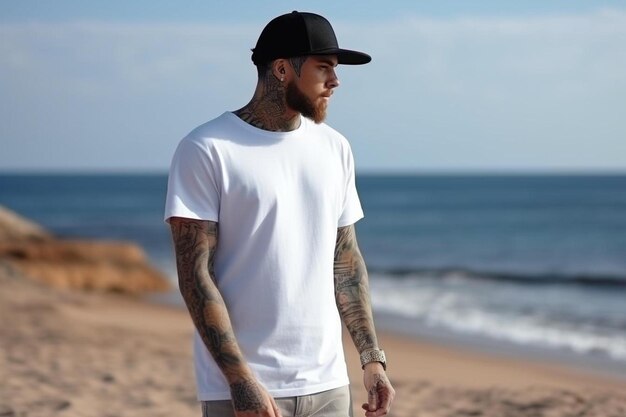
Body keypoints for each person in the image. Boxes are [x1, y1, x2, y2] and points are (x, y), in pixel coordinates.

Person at [164, 10, 395, 417]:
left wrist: (371, 359)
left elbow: (345, 262)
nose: (336, 81)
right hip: (243, 390)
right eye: (324, 68)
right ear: (283, 69)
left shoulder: (335, 148)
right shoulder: (207, 148)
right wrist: (240, 380)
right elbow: (195, 275)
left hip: (327, 385)